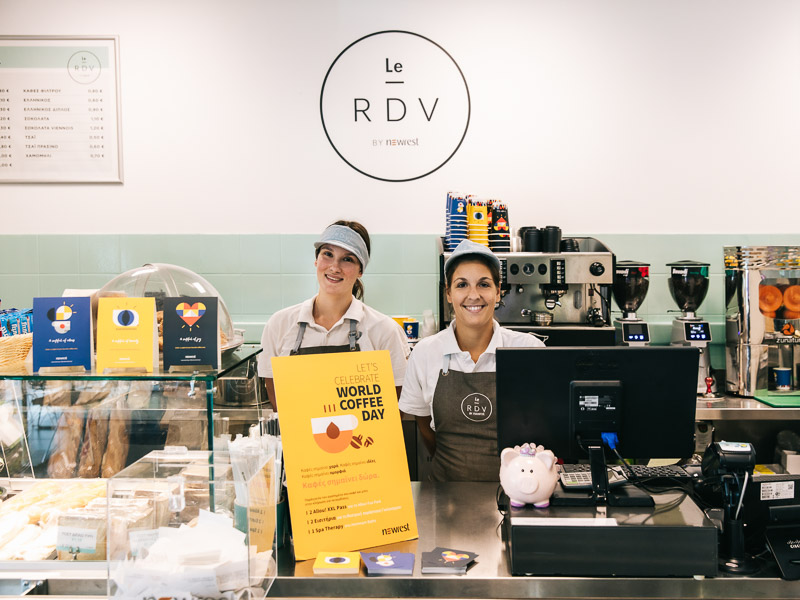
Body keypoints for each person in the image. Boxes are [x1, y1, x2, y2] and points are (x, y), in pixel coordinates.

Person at [399, 240, 544, 481]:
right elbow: (424, 425)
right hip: (445, 493)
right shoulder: (425, 353)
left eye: (484, 284)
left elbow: (544, 427)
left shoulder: (529, 350)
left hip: (516, 492)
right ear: (448, 293)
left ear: (498, 291)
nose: (473, 295)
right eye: (462, 285)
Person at [258, 220, 410, 411]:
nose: (334, 267)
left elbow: (394, 407)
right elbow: (276, 396)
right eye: (328, 254)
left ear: (361, 270)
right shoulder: (279, 324)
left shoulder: (384, 330)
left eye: (348, 259)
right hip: (299, 431)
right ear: (316, 260)